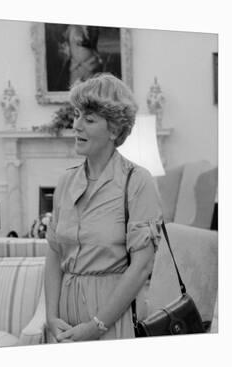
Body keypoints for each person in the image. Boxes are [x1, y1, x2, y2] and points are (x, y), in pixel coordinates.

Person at [44, 73, 163, 342]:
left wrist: (96, 325)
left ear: (114, 130)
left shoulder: (137, 181)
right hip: (63, 321)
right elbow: (53, 252)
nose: (76, 125)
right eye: (76, 115)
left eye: (89, 120)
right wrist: (51, 316)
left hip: (112, 319)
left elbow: (142, 267)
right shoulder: (65, 181)